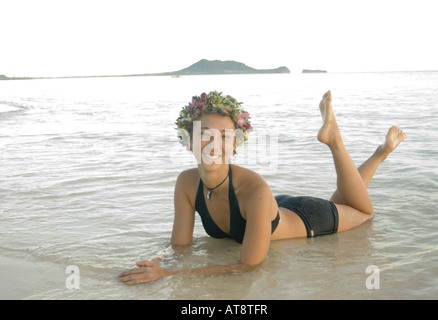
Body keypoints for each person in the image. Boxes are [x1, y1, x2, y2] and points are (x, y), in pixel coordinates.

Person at [118, 90, 406, 285]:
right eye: (205, 135)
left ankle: (335, 140)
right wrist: (155, 262)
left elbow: (250, 266)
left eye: (224, 136)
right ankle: (380, 152)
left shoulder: (253, 187)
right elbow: (179, 246)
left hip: (308, 217)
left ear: (235, 145)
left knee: (363, 213)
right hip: (277, 207)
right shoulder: (185, 183)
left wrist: (169, 274)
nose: (214, 144)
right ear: (188, 140)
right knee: (347, 201)